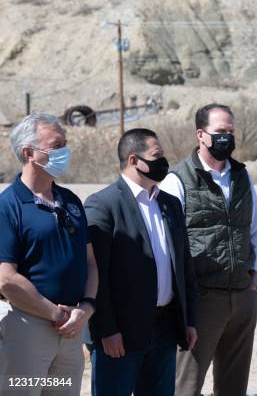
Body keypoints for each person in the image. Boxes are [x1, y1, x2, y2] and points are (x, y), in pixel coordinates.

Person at [160, 103, 257, 396]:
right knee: (185, 385)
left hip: (242, 296)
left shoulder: (242, 176)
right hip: (202, 300)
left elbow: (256, 229)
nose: (227, 138)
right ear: (201, 135)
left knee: (234, 386)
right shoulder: (177, 180)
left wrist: (255, 275)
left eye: (231, 132)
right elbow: (169, 243)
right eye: (220, 132)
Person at [84, 128, 197, 396]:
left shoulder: (169, 204)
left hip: (165, 329)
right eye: (157, 155)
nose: (164, 161)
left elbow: (183, 266)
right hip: (120, 335)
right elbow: (95, 274)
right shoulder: (103, 205)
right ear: (134, 160)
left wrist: (188, 320)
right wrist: (106, 329)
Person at [0, 113, 98, 395]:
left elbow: (90, 263)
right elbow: (6, 279)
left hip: (71, 331)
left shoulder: (70, 201)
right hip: (29, 328)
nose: (64, 151)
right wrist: (54, 313)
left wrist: (86, 309)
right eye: (57, 145)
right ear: (29, 153)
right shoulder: (8, 207)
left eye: (65, 143)